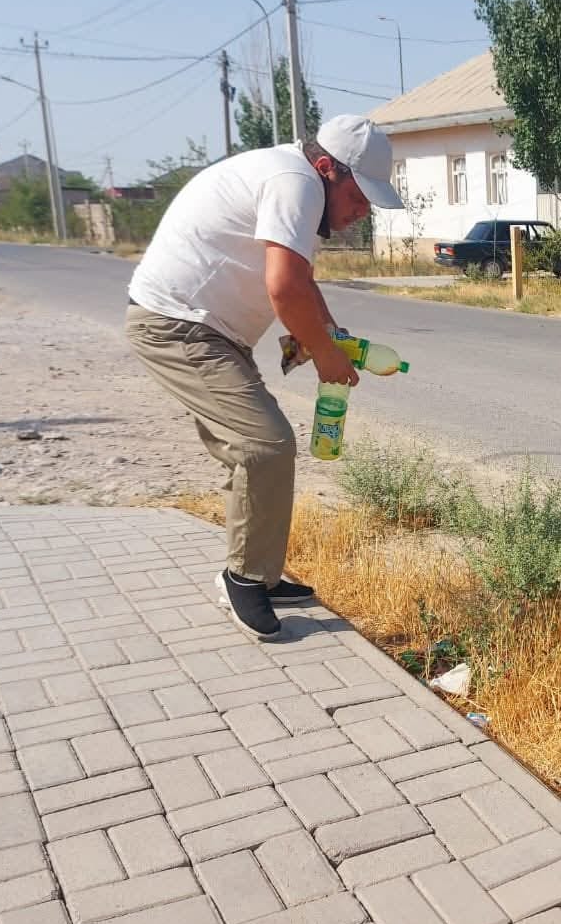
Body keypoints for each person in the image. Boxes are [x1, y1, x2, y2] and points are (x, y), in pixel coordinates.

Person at [125, 114, 403, 639]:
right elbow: (283, 289)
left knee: (254, 453)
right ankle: (245, 581)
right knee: (265, 445)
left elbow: (301, 281)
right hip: (177, 325)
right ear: (328, 168)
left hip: (205, 329)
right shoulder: (295, 183)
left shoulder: (295, 180)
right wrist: (326, 354)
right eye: (360, 197)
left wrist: (327, 333)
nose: (362, 212)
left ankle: (259, 574)